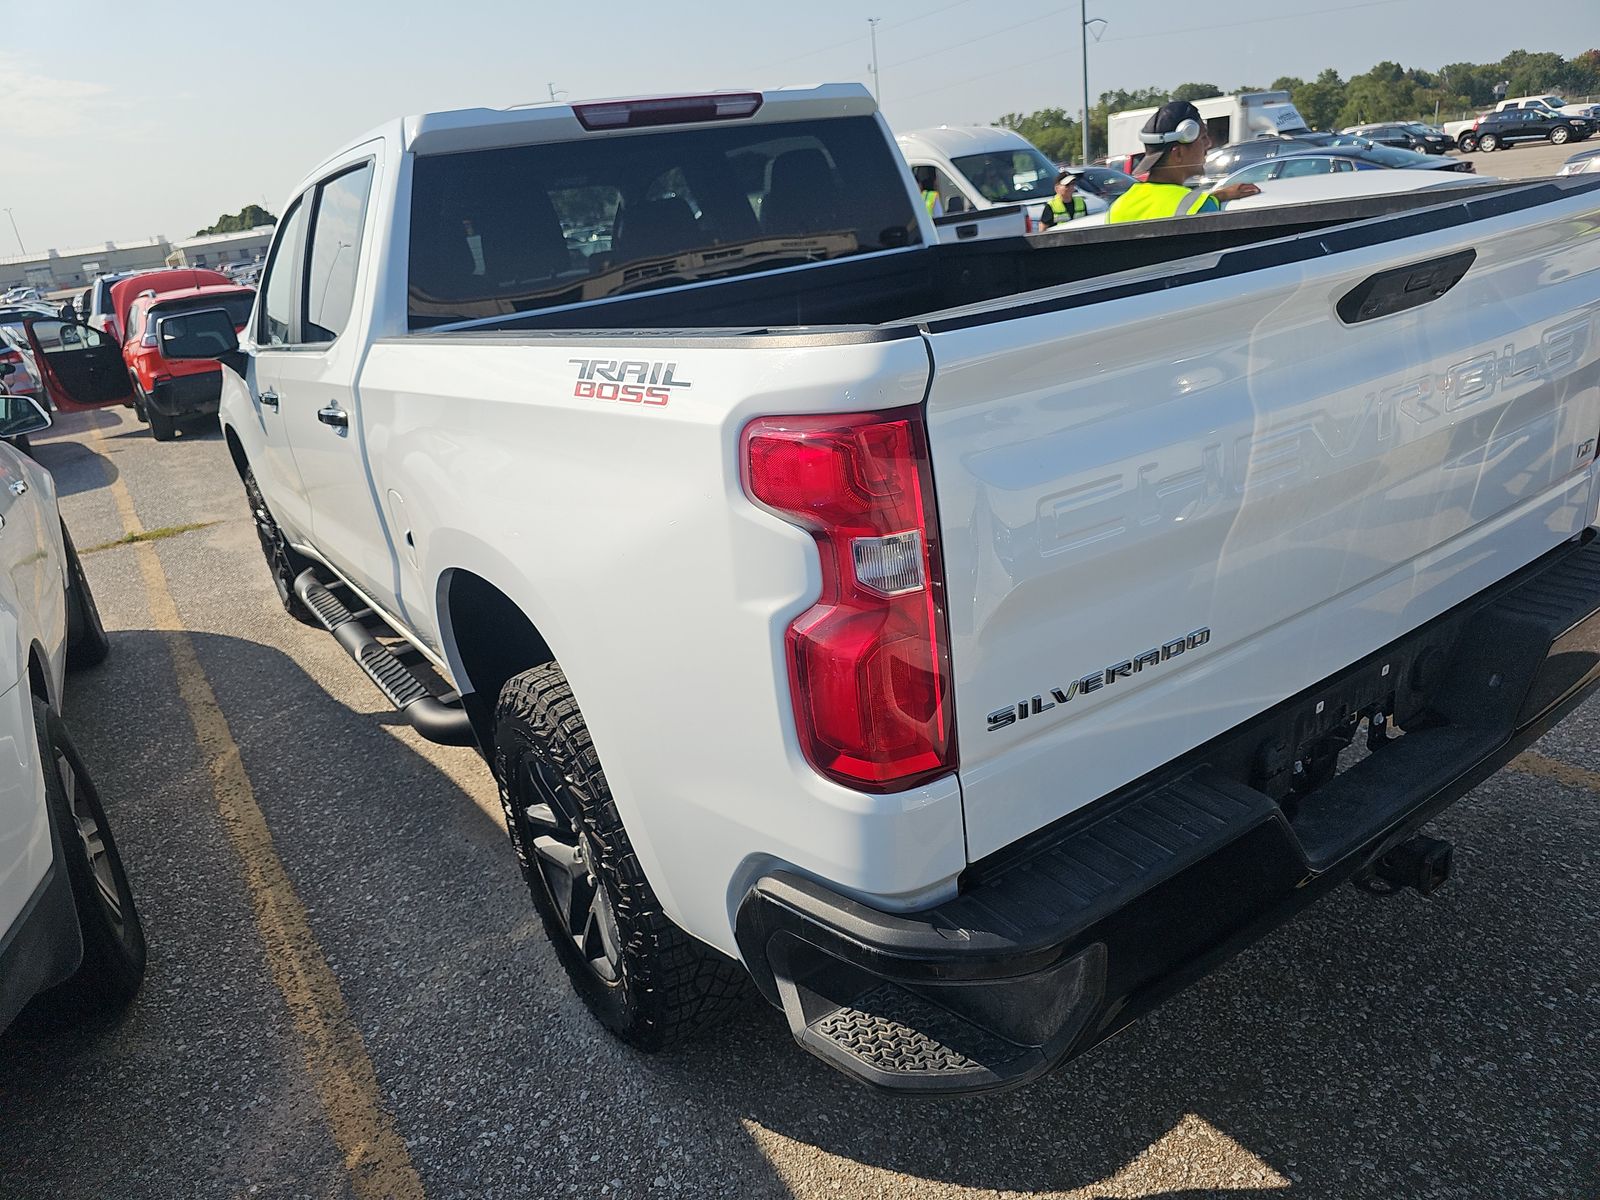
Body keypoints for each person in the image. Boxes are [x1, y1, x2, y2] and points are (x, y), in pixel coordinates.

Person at [1106, 100, 1260, 223]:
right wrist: (1211, 201)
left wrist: (1216, 196)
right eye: (1203, 138)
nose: (1209, 144)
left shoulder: (1117, 208)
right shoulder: (1198, 206)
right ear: (1178, 153)